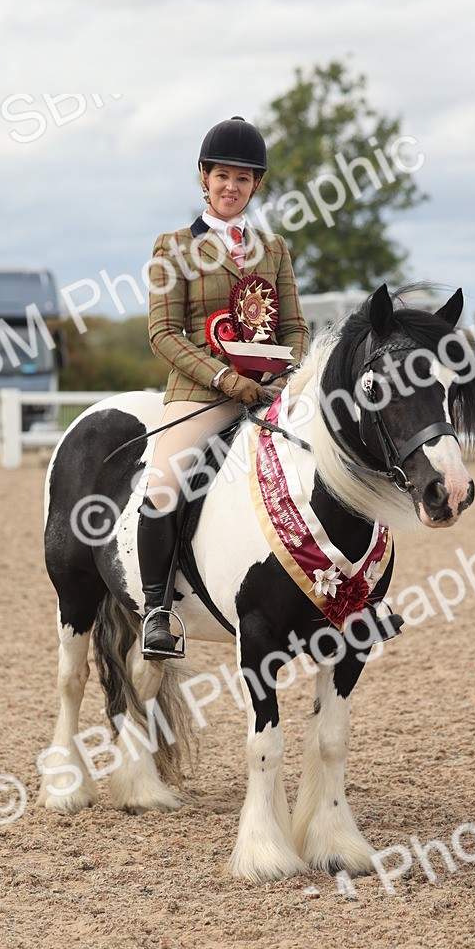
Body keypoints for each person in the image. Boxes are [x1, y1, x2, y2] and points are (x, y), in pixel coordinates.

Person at [140, 115, 310, 656]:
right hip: (201, 397)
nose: (231, 188)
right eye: (222, 177)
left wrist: (286, 372)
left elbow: (295, 327)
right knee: (163, 485)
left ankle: (354, 596)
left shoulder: (274, 248)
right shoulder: (173, 247)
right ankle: (157, 611)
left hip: (270, 394)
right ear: (204, 179)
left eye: (243, 179)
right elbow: (163, 334)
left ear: (255, 185)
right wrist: (224, 378)